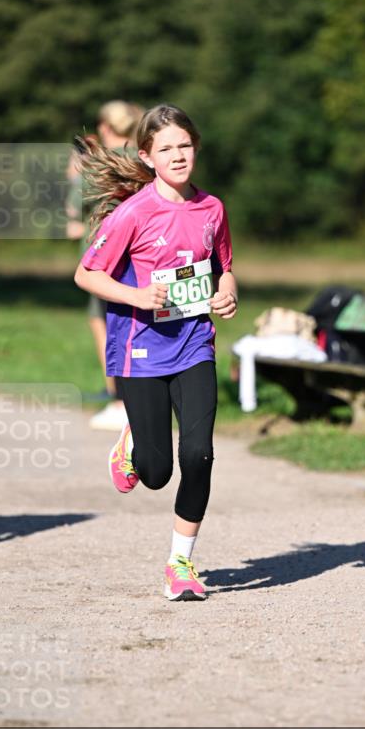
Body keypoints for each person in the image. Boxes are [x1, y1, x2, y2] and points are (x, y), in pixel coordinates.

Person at [74, 104, 238, 599]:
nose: (178, 155)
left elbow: (223, 265)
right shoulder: (133, 213)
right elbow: (87, 274)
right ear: (146, 156)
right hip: (139, 350)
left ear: (196, 148)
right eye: (165, 148)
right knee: (156, 472)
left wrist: (228, 291)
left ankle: (180, 563)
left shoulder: (212, 209)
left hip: (194, 346)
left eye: (184, 145)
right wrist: (137, 297)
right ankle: (133, 443)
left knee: (200, 454)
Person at [67, 102, 144, 430]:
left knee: (107, 325)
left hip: (105, 260)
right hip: (143, 254)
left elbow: (74, 214)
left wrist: (73, 176)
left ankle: (120, 401)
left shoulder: (99, 164)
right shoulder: (145, 157)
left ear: (105, 127)